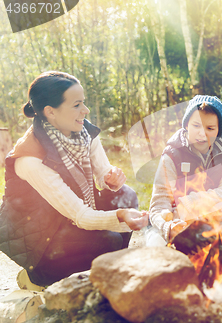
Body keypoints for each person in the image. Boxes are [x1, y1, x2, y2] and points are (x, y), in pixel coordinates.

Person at [0, 71, 149, 290]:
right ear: (50, 112)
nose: (85, 111)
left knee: (126, 195)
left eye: (84, 103)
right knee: (111, 240)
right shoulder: (30, 159)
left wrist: (112, 180)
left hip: (66, 219)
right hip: (42, 241)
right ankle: (39, 278)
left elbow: (103, 175)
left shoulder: (83, 131)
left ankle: (102, 268)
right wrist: (120, 216)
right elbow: (81, 215)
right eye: (77, 105)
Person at [149, 95, 222, 243]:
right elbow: (159, 203)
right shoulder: (171, 155)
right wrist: (167, 226)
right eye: (196, 126)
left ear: (218, 131)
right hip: (178, 223)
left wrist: (186, 205)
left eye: (210, 128)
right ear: (186, 125)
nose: (202, 133)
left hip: (211, 220)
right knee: (155, 243)